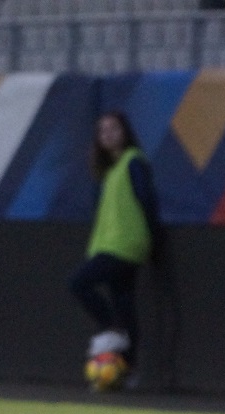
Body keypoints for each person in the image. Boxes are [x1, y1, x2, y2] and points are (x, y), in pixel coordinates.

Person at [69, 111, 161, 384]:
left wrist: (154, 238)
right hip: (114, 244)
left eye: (114, 128)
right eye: (102, 130)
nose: (108, 134)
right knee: (124, 301)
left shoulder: (133, 162)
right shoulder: (111, 171)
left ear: (125, 132)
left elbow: (147, 201)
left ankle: (112, 330)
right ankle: (127, 369)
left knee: (77, 283)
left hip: (124, 244)